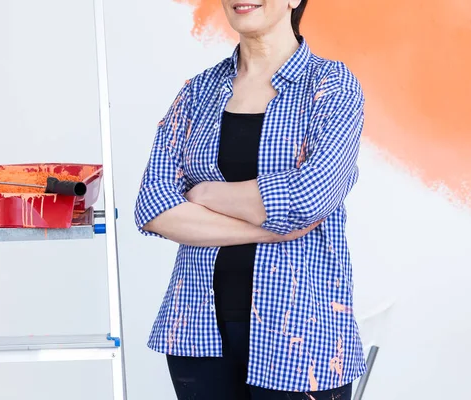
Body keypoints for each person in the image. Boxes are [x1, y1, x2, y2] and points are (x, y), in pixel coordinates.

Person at [134, 0, 366, 398]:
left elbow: (309, 198)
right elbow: (154, 206)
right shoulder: (198, 92)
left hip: (303, 337)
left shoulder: (332, 85)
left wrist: (205, 194)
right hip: (198, 330)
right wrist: (275, 231)